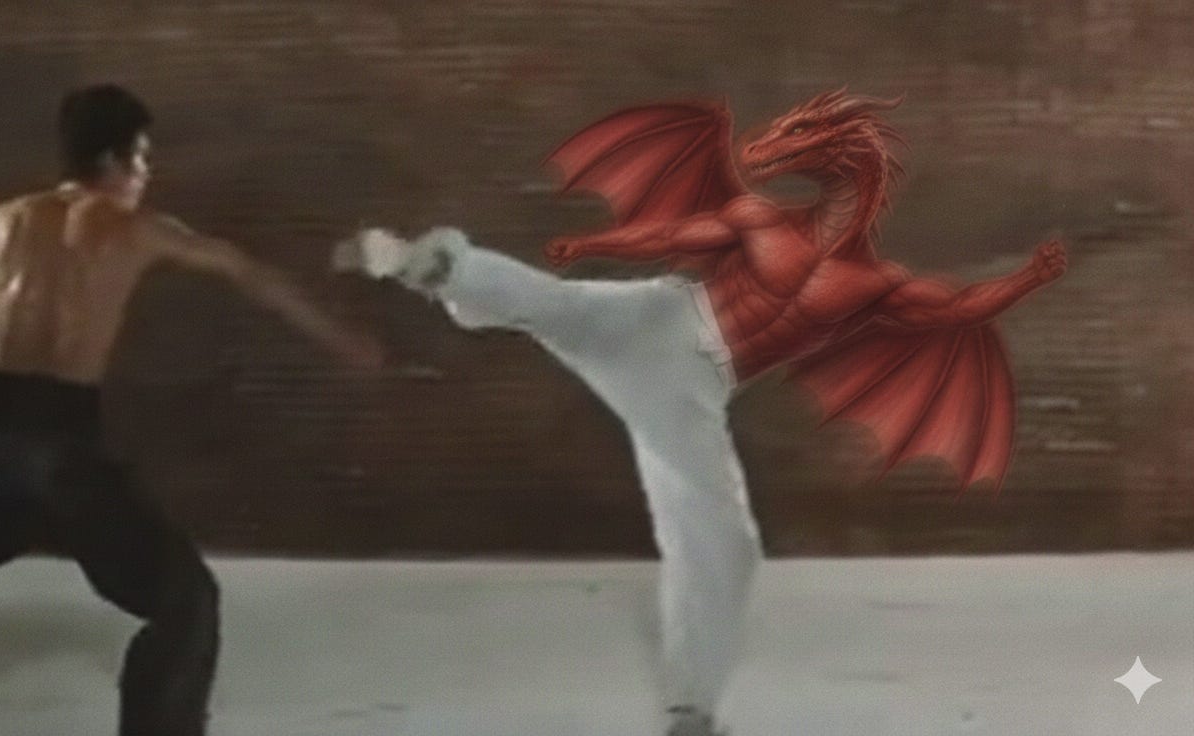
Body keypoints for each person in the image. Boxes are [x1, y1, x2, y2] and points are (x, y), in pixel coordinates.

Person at [335, 91, 1064, 736]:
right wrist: (593, 243)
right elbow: (671, 239)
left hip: (672, 353)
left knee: (566, 325)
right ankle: (692, 708)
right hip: (671, 346)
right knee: (709, 527)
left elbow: (958, 306)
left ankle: (449, 270)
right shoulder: (806, 246)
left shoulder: (849, 271)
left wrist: (1026, 279)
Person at [0, 83, 382, 736]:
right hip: (65, 454)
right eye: (142, 159)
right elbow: (247, 273)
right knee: (187, 602)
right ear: (115, 161)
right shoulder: (138, 231)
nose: (146, 175)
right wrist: (344, 339)